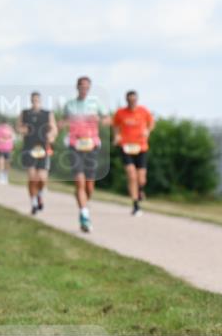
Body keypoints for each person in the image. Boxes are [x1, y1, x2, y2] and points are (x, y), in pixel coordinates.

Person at [60, 76, 110, 232]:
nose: (84, 89)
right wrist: (64, 124)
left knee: (89, 185)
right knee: (80, 182)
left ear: (89, 88)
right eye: (81, 86)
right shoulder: (70, 105)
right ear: (77, 87)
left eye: (86, 86)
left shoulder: (96, 104)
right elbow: (62, 123)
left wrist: (101, 120)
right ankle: (84, 216)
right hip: (75, 145)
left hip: (91, 145)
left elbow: (108, 120)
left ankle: (84, 204)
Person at [112, 90, 155, 216]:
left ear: (137, 100)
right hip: (126, 147)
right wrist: (116, 136)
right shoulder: (120, 113)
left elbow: (151, 123)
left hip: (141, 147)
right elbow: (115, 126)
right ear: (126, 100)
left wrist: (147, 131)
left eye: (134, 100)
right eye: (129, 100)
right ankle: (135, 205)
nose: (132, 102)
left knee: (141, 179)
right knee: (131, 175)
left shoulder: (143, 111)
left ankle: (140, 189)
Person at [17, 92, 57, 214]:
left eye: (37, 99)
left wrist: (51, 136)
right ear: (31, 100)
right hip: (29, 148)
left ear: (40, 100)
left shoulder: (47, 114)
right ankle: (34, 202)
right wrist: (22, 130)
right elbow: (18, 127)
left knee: (42, 178)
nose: (35, 102)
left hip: (43, 148)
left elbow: (54, 128)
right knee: (32, 178)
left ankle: (39, 194)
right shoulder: (25, 113)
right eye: (33, 99)